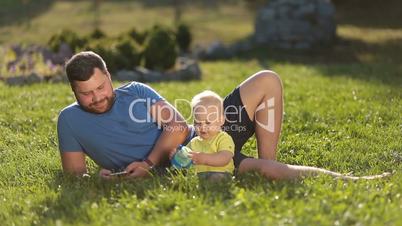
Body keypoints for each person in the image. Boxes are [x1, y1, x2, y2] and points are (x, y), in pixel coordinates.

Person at [58, 51, 389, 180]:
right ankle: (262, 170)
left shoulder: (137, 92)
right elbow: (76, 177)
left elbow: (177, 125)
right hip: (192, 161)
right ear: (74, 91)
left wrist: (147, 162)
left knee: (268, 80)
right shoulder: (69, 121)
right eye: (86, 93)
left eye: (101, 88)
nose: (96, 97)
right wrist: (105, 180)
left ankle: (263, 164)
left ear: (109, 77)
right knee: (259, 170)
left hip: (204, 133)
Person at [185, 90, 235, 181]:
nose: (203, 128)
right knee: (192, 178)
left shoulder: (223, 138)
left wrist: (203, 159)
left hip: (221, 173)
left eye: (208, 123)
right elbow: (186, 156)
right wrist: (177, 155)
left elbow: (225, 158)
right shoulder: (194, 142)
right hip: (200, 175)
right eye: (198, 123)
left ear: (221, 121)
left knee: (217, 178)